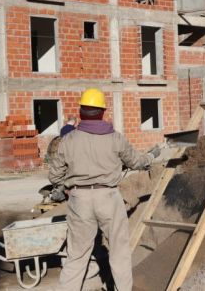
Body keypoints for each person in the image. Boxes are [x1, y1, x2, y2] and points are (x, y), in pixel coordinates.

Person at [49, 88, 160, 291]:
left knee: (77, 256)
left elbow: (54, 176)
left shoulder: (69, 140)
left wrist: (66, 187)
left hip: (79, 199)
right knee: (119, 251)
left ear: (81, 111)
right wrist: (152, 156)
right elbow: (137, 162)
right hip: (108, 197)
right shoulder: (115, 138)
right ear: (102, 112)